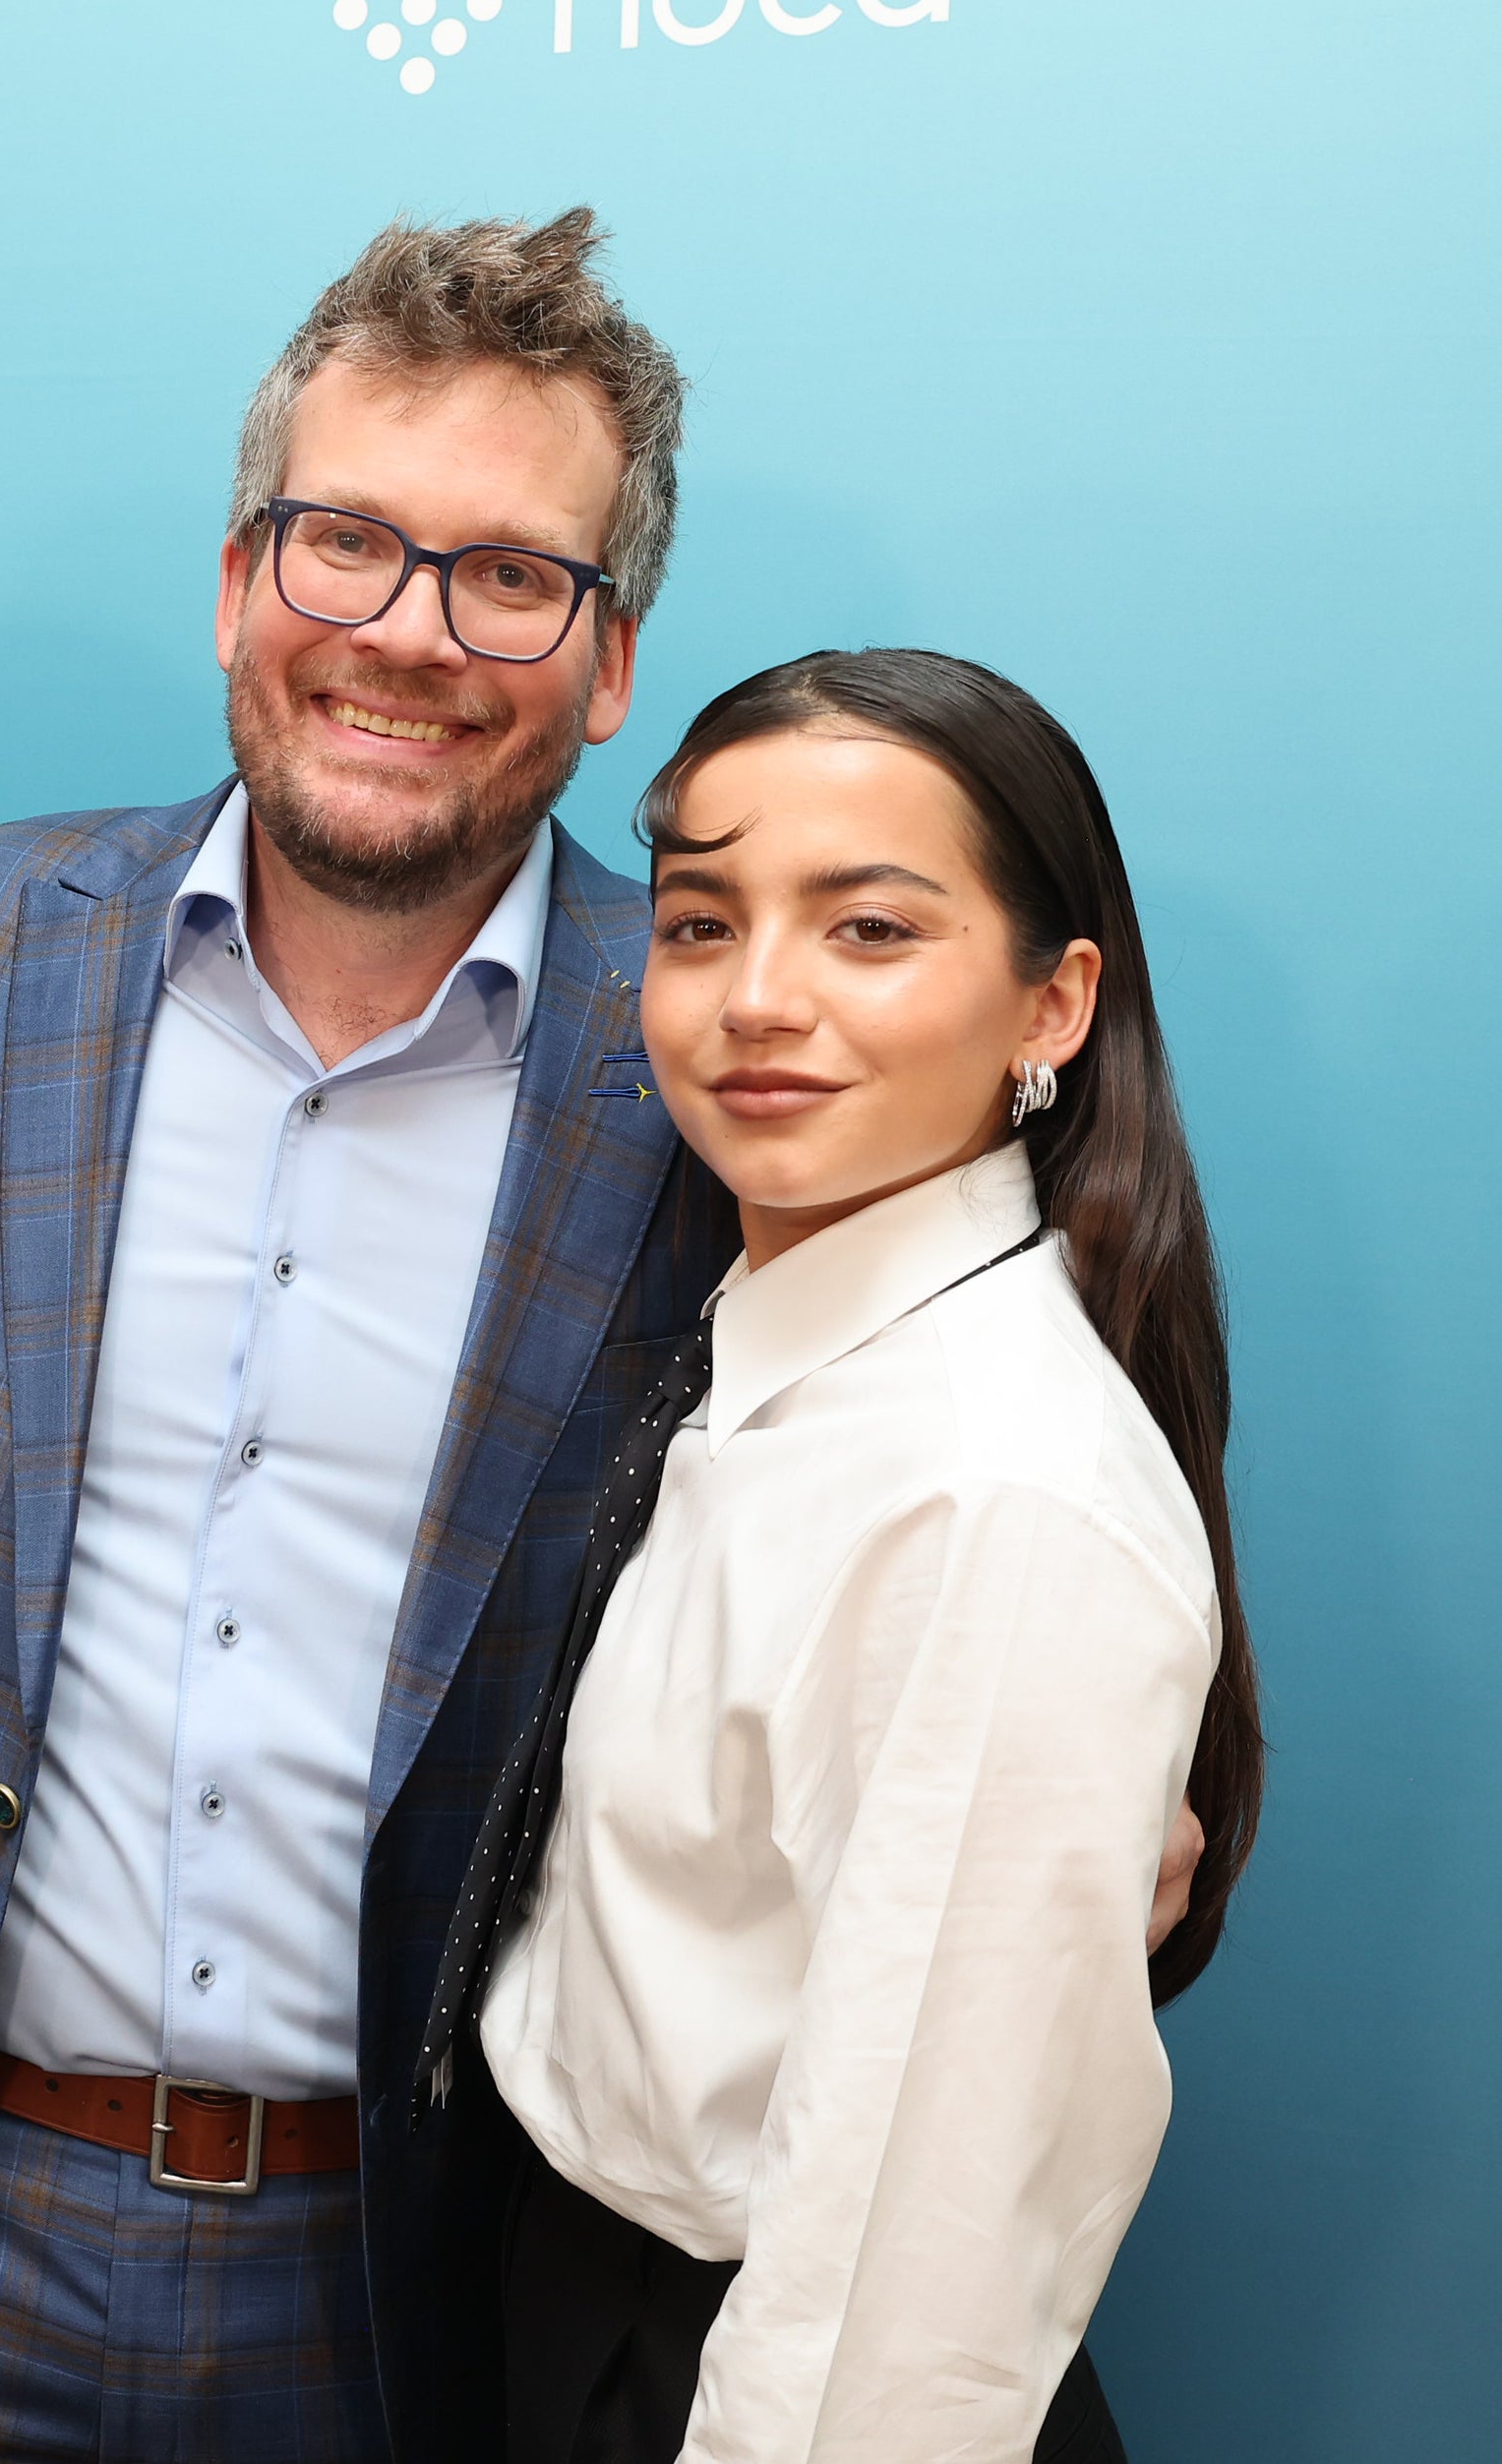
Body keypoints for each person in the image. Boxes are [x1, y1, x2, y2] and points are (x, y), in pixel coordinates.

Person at [0, 219, 1202, 2461]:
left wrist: (1074, 1811)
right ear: (241, 577)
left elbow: (965, 1531)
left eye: (510, 575)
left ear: (608, 656)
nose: (406, 634)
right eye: (343, 542)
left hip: (403, 2284)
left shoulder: (725, 1063)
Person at [444, 649, 1262, 2463]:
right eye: (699, 922)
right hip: (566, 2299)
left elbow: (924, 2251)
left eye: (869, 931)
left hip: (759, 2376)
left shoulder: (1000, 1484)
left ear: (1052, 1006)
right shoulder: (769, 1349)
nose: (758, 1000)